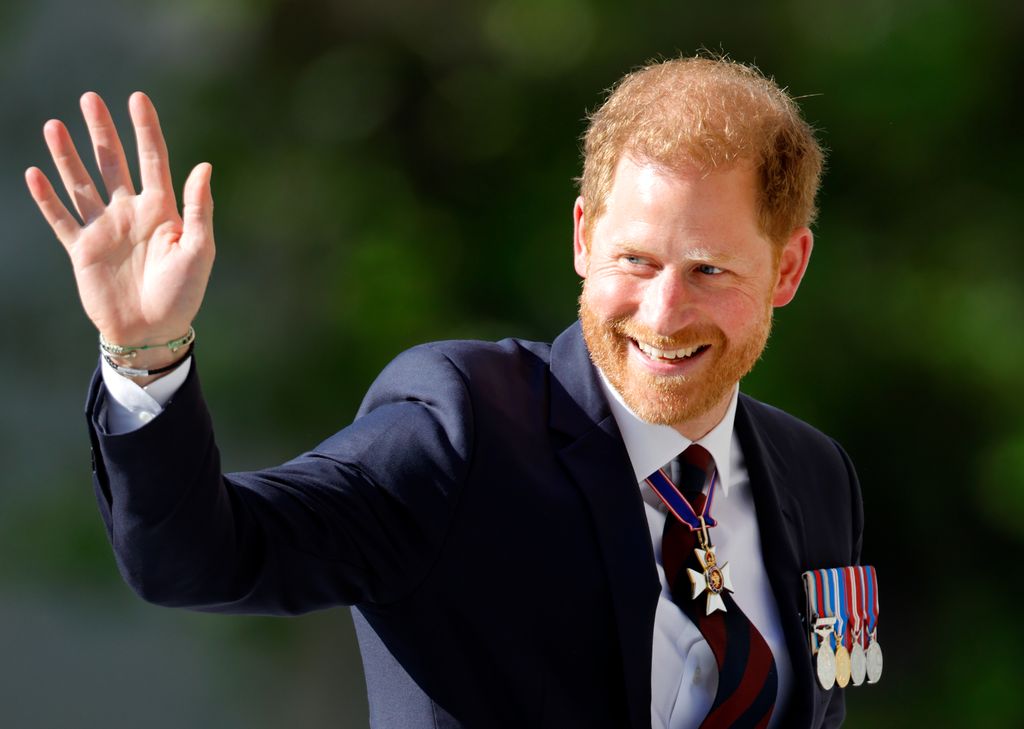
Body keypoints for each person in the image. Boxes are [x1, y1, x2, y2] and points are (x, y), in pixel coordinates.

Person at [26, 56, 862, 728]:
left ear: (787, 268)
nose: (663, 312)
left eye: (709, 270)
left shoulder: (816, 473)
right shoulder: (463, 428)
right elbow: (201, 559)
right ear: (582, 237)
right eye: (635, 260)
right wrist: (147, 352)